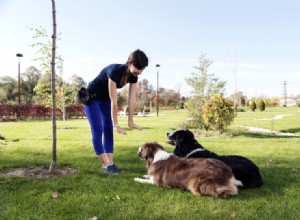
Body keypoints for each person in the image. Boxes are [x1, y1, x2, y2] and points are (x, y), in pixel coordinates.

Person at [84, 49, 149, 174]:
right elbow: (114, 101)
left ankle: (111, 165)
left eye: (142, 69)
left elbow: (132, 99)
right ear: (129, 63)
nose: (140, 71)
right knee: (98, 130)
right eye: (138, 67)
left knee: (108, 130)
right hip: (91, 98)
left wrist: (131, 120)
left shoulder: (133, 76)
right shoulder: (115, 71)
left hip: (104, 100)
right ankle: (105, 165)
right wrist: (116, 124)